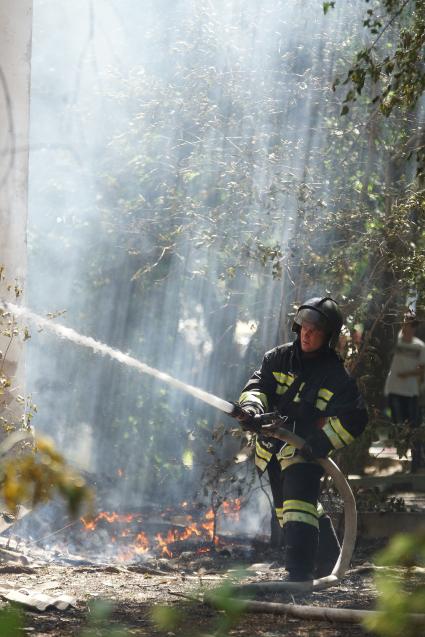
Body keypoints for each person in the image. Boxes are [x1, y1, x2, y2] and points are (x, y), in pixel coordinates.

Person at [236, 297, 368, 582]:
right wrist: (252, 408)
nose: (307, 334)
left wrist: (323, 441)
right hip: (273, 447)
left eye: (315, 330)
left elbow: (356, 418)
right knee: (291, 510)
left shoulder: (335, 376)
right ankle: (330, 561)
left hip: (305, 452)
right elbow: (258, 387)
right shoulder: (277, 358)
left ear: (328, 336)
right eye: (304, 327)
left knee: (298, 508)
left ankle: (299, 575)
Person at [384, 312, 425, 473]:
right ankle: (405, 461)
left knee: (413, 428)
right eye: (404, 323)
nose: (406, 325)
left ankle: (416, 464)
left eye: (409, 323)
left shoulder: (419, 347)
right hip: (393, 391)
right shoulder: (398, 340)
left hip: (410, 393)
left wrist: (407, 374)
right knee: (398, 428)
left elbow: (423, 370)